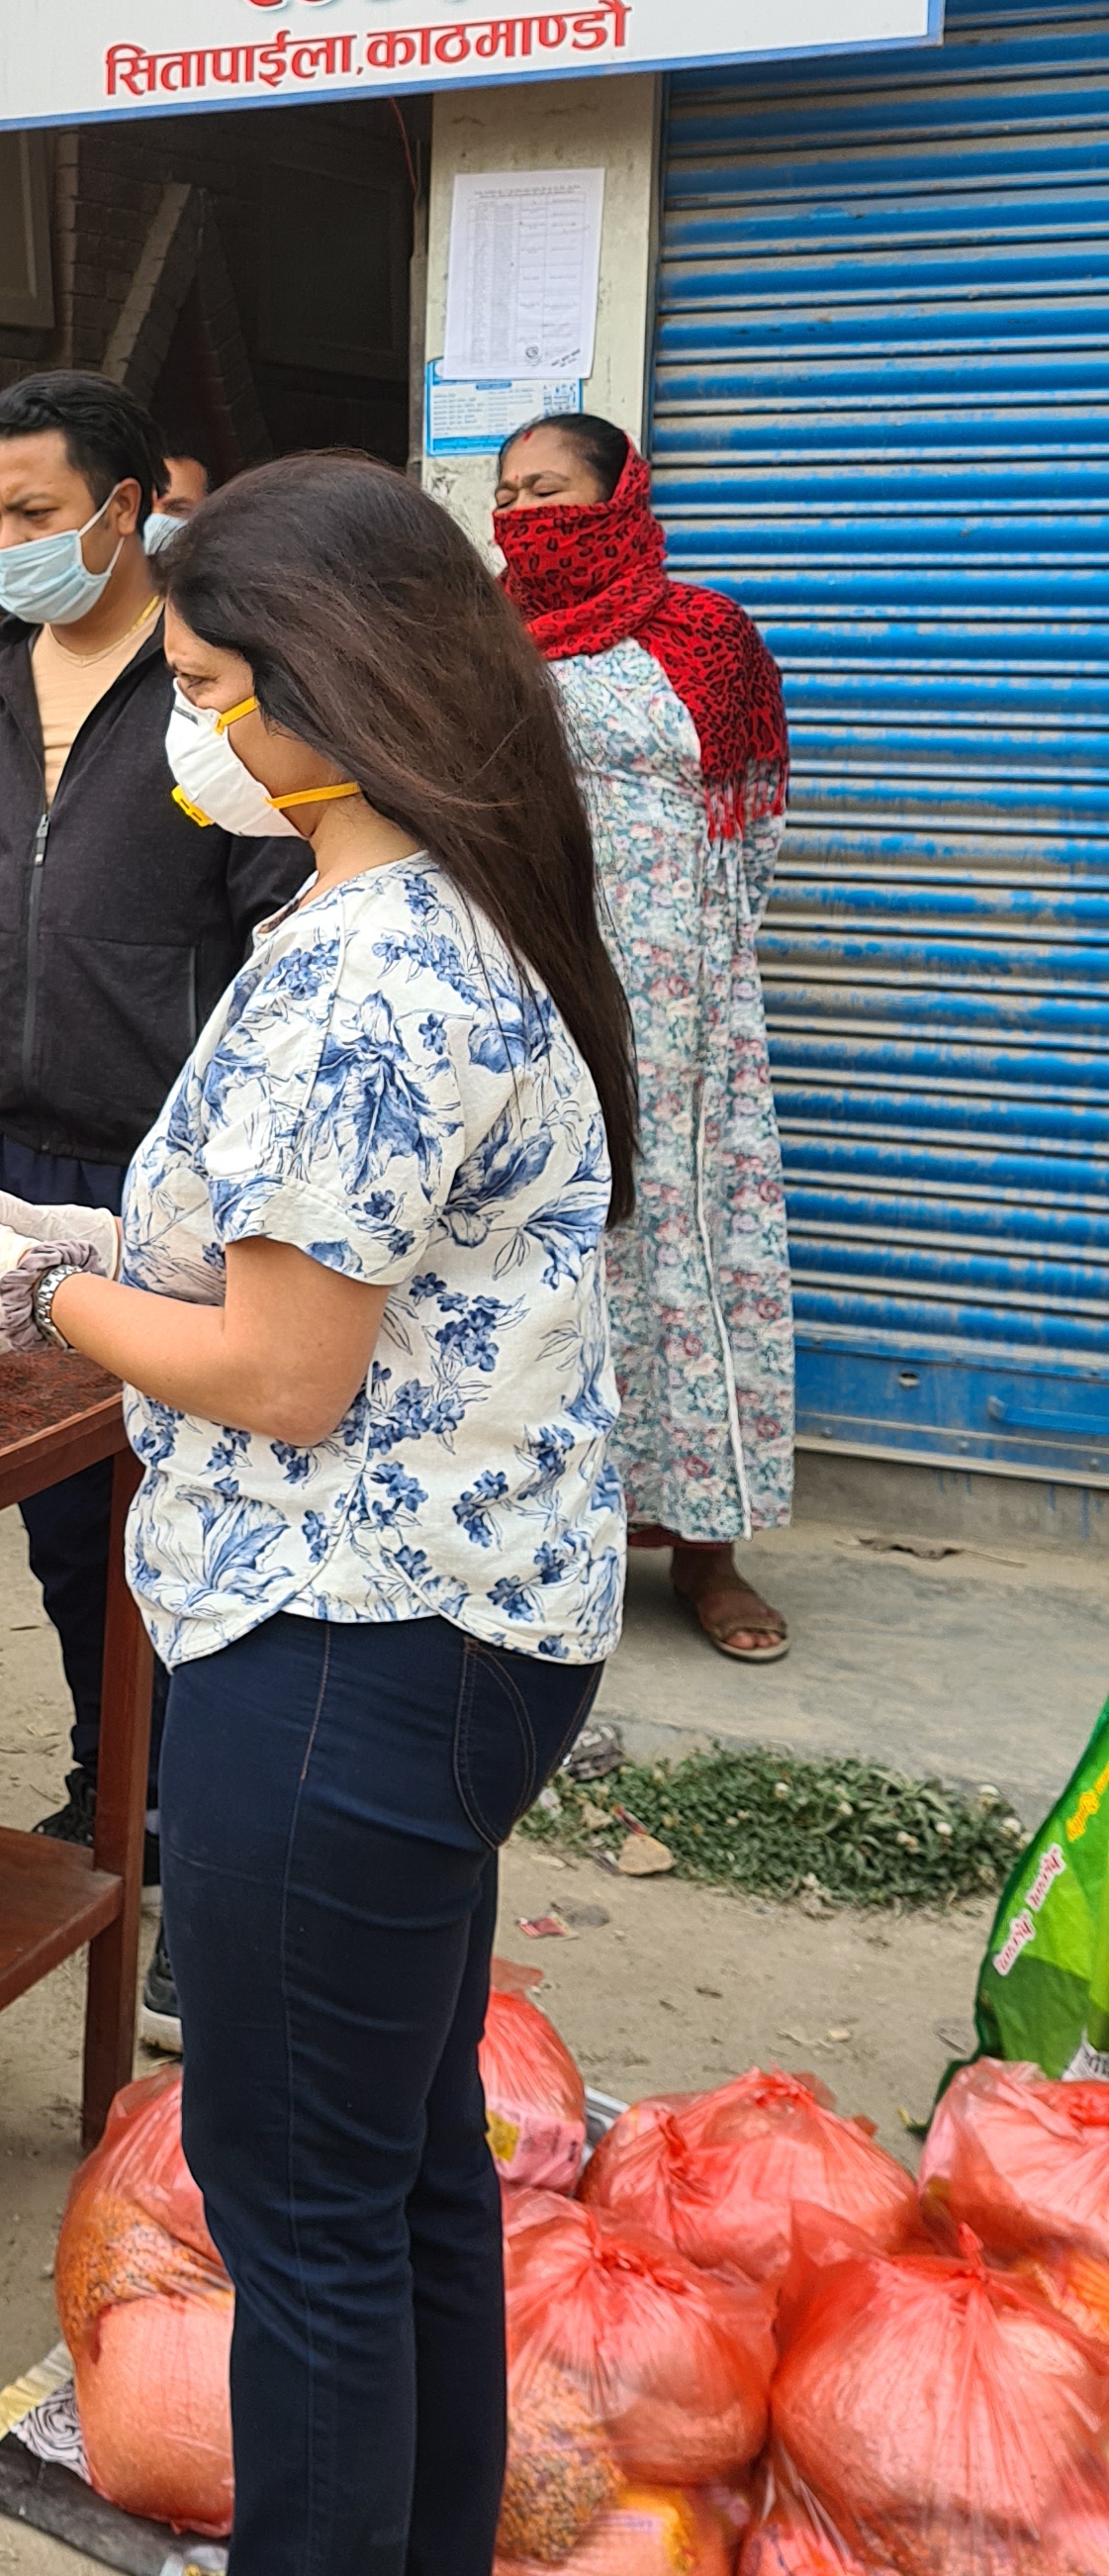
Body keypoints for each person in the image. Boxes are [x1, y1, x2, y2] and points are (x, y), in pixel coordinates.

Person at [0, 453, 632, 2576]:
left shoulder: (378, 966)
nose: (185, 725)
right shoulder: (429, 912)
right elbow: (297, 1263)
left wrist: (32, 1291)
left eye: (208, 684)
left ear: (329, 688)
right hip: (443, 1631)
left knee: (300, 2200)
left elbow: (286, 1370)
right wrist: (73, 1228)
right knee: (399, 2178)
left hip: (343, 1642)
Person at [0, 376, 303, 1982]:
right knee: (64, 1525)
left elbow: (276, 917)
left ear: (122, 511)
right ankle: (113, 1800)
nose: (4, 542)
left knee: (191, 1523)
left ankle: (205, 1858)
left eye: (32, 513)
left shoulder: (209, 688)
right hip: (11, 1147)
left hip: (166, 1168)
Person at [494, 412, 793, 1666]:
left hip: (680, 1016)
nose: (525, 517)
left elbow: (754, 815)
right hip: (526, 991)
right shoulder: (478, 638)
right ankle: (558, 1535)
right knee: (549, 1246)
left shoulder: (705, 635)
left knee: (686, 1246)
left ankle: (708, 1549)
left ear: (620, 496)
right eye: (509, 495)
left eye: (550, 491)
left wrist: (702, 970)